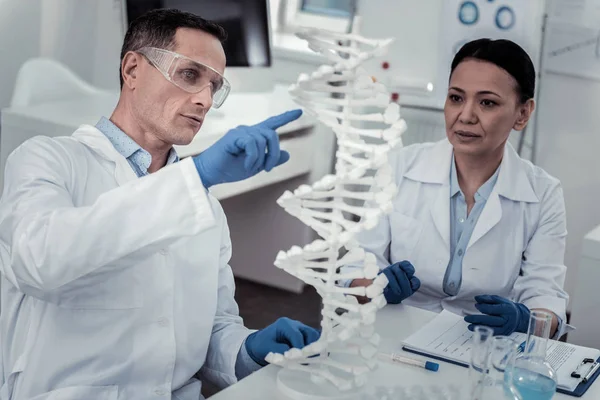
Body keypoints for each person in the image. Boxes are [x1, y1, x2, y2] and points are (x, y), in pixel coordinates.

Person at [0, 9, 319, 400]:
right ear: (132, 70)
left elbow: (212, 329)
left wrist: (247, 349)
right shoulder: (47, 160)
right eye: (190, 74)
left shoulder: (204, 208)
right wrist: (196, 176)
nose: (204, 99)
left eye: (215, 86)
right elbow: (40, 261)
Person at [341, 39, 570, 339]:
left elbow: (546, 297)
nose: (466, 116)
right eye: (456, 98)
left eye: (487, 102)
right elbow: (354, 266)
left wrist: (525, 321)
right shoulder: (398, 168)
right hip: (392, 334)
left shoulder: (544, 195)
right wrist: (374, 286)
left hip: (480, 344)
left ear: (523, 114)